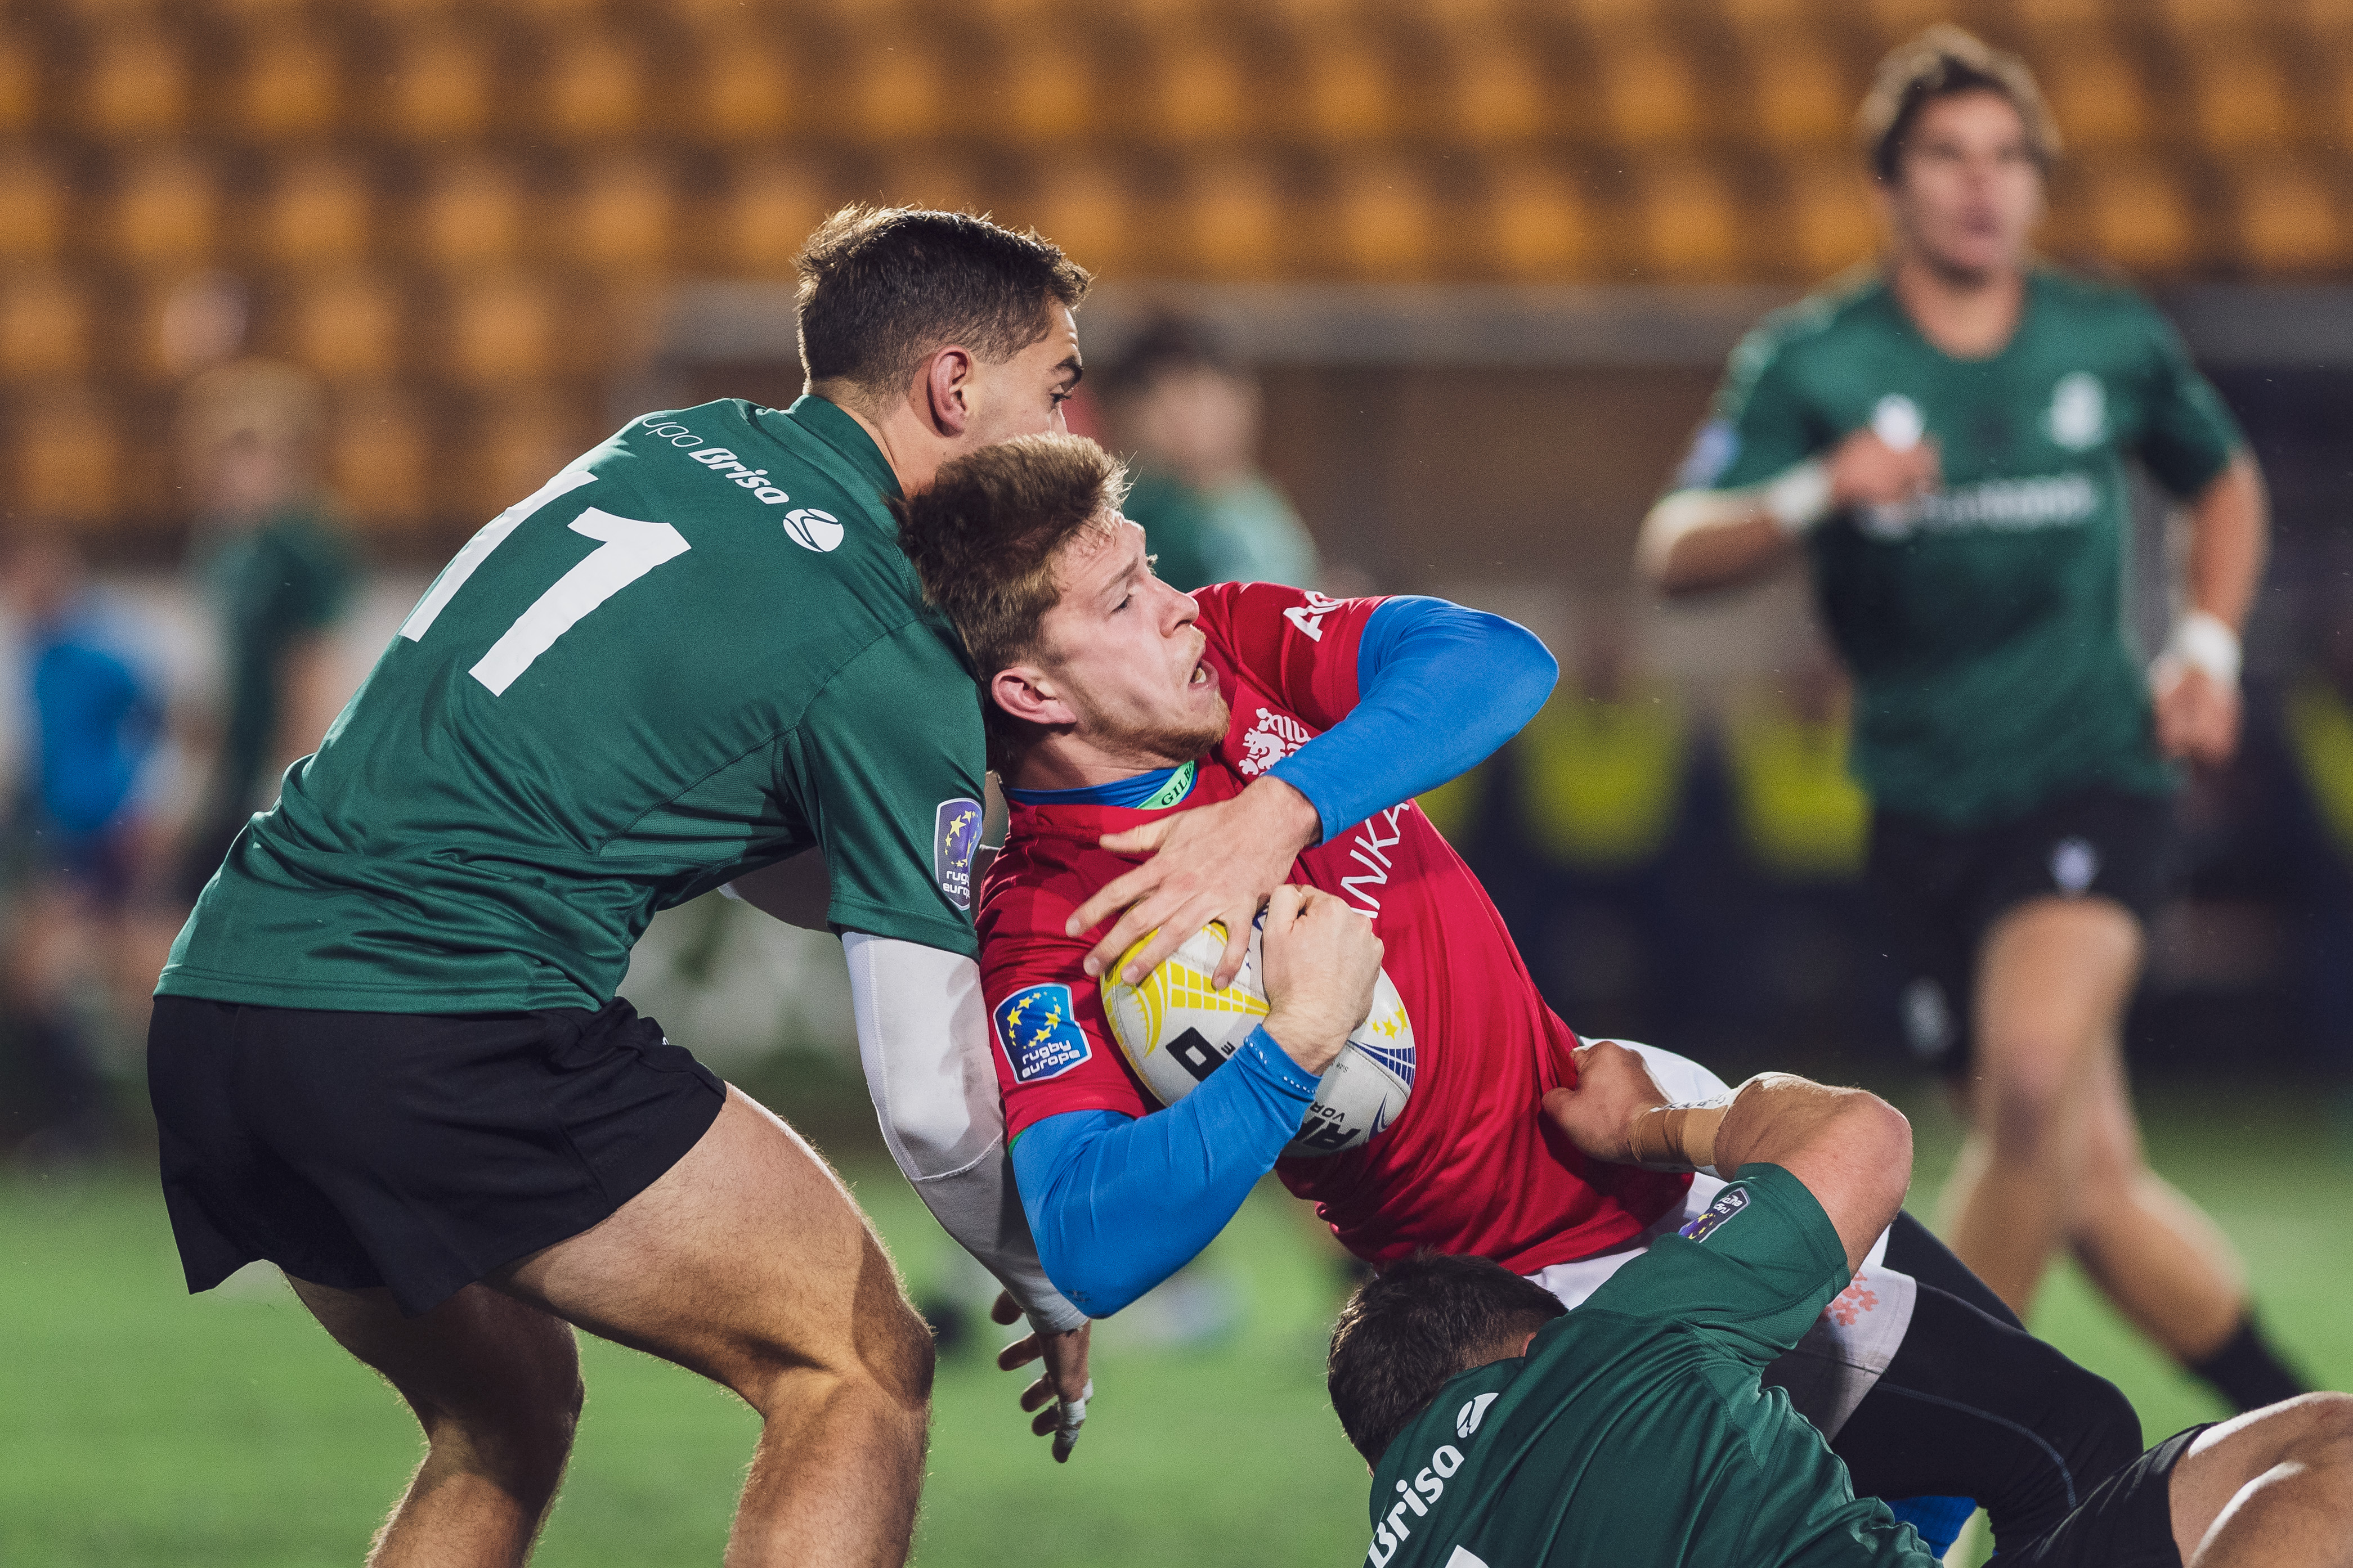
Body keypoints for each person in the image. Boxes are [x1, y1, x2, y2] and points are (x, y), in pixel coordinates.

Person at [146, 205, 1262, 1568]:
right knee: (857, 1367)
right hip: (443, 1015)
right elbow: (923, 1098)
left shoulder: (673, 445)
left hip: (225, 995)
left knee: (508, 1414)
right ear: (955, 388)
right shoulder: (879, 629)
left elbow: (718, 814)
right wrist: (1040, 1269)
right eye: (1056, 389)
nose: (1076, 433)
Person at [893, 432, 2143, 1556]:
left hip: (1638, 1122)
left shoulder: (1228, 653)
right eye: (1125, 598)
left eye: (1151, 568)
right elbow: (1091, 1241)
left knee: (1977, 1459)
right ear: (1031, 693)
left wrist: (1278, 811)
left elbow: (1493, 660)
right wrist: (1296, 1042)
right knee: (2062, 1444)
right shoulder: (1054, 920)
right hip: (1570, 1290)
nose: (1174, 607)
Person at [1633, 26, 2303, 1410]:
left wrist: (2205, 641)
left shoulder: (2101, 336)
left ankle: (1933, 1454)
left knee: (2035, 1080)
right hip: (1925, 810)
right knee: (2090, 1183)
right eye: (1948, 155)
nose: (1982, 184)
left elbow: (2220, 481)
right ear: (1892, 187)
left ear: (2036, 187)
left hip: (2090, 775)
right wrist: (1823, 489)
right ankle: (2310, 1424)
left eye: (2007, 157)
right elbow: (1675, 548)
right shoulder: (1816, 361)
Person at [1323, 1041, 2353, 1568]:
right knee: (2328, 1449)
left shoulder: (1397, 1542)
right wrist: (1647, 1125)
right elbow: (1862, 1137)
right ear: (1524, 1338)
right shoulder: (1604, 1352)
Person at [1, 533, 163, 1160]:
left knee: (60, 977)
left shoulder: (102, 652)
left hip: (101, 836)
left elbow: (163, 721)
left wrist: (138, 807)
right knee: (55, 981)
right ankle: (90, 1125)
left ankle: (90, 1128)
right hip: (59, 835)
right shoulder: (36, 658)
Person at [172, 359, 356, 902]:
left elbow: (311, 667)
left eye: (250, 453)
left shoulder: (305, 545)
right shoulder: (221, 543)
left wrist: (285, 785)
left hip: (271, 767)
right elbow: (218, 669)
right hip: (231, 762)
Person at [1097, 313, 1319, 592]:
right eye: (1162, 399)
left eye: (1194, 394)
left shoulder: (1260, 503)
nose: (1182, 418)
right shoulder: (1136, 514)